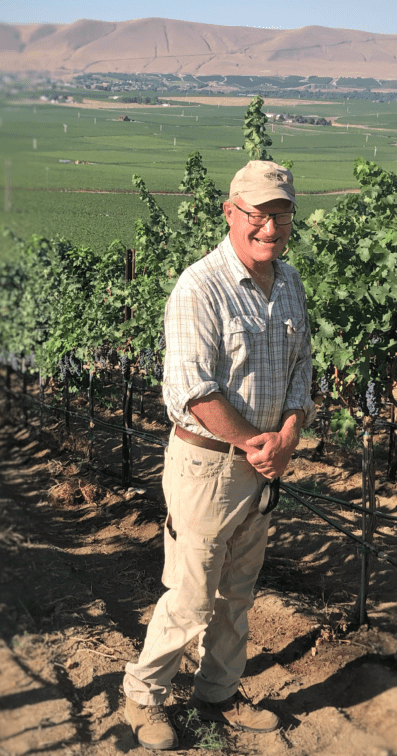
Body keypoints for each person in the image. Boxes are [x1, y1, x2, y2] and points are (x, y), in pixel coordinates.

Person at [122, 160, 316, 750]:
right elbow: (191, 388)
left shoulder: (288, 284)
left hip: (261, 467)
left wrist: (286, 436)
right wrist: (253, 442)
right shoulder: (199, 286)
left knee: (237, 592)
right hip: (207, 466)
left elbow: (302, 372)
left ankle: (219, 692)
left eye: (280, 215)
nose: (270, 227)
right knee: (189, 596)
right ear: (230, 213)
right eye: (257, 214)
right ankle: (142, 697)